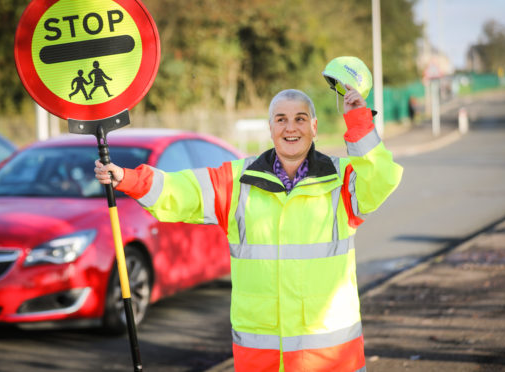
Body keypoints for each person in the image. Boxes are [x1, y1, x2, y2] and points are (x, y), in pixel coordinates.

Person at [95, 85, 403, 371]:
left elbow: (381, 179)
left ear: (314, 127)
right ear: (270, 129)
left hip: (331, 359)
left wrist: (359, 122)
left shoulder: (343, 180)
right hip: (261, 359)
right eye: (281, 119)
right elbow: (180, 190)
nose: (290, 127)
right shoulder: (237, 180)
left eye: (300, 118)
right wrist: (128, 179)